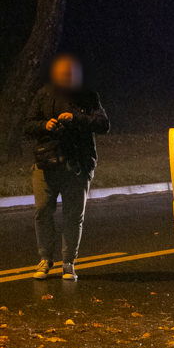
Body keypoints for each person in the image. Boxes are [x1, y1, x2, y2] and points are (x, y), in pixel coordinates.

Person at [24, 54, 109, 280]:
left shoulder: (88, 96)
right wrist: (45, 124)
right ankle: (45, 259)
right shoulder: (44, 94)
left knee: (73, 215)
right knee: (42, 211)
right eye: (62, 73)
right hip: (45, 163)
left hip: (78, 165)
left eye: (70, 73)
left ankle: (69, 262)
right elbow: (27, 126)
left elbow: (103, 124)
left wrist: (76, 118)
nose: (66, 77)